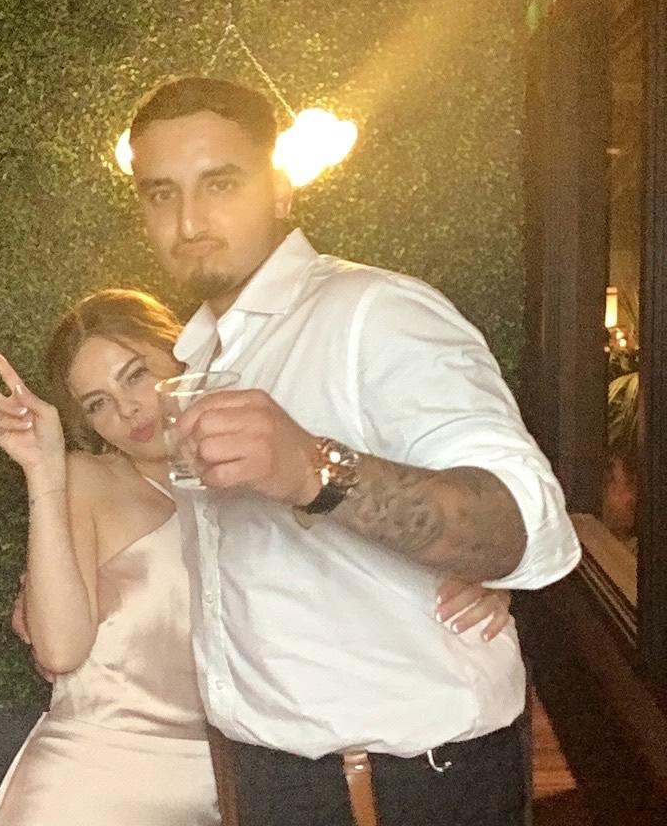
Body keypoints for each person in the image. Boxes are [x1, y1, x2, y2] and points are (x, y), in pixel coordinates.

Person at [125, 76, 583, 826]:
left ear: (280, 189)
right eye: (160, 193)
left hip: (401, 785)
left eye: (220, 183)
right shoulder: (203, 354)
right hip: (276, 775)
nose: (189, 220)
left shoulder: (374, 312)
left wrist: (316, 469)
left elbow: (519, 525)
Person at [0, 289, 513, 826]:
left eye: (136, 374)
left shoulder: (264, 471)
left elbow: (350, 582)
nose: (127, 408)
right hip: (96, 792)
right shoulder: (88, 481)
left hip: (244, 789)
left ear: (183, 358)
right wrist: (43, 470)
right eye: (98, 403)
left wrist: (477, 572)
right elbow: (59, 649)